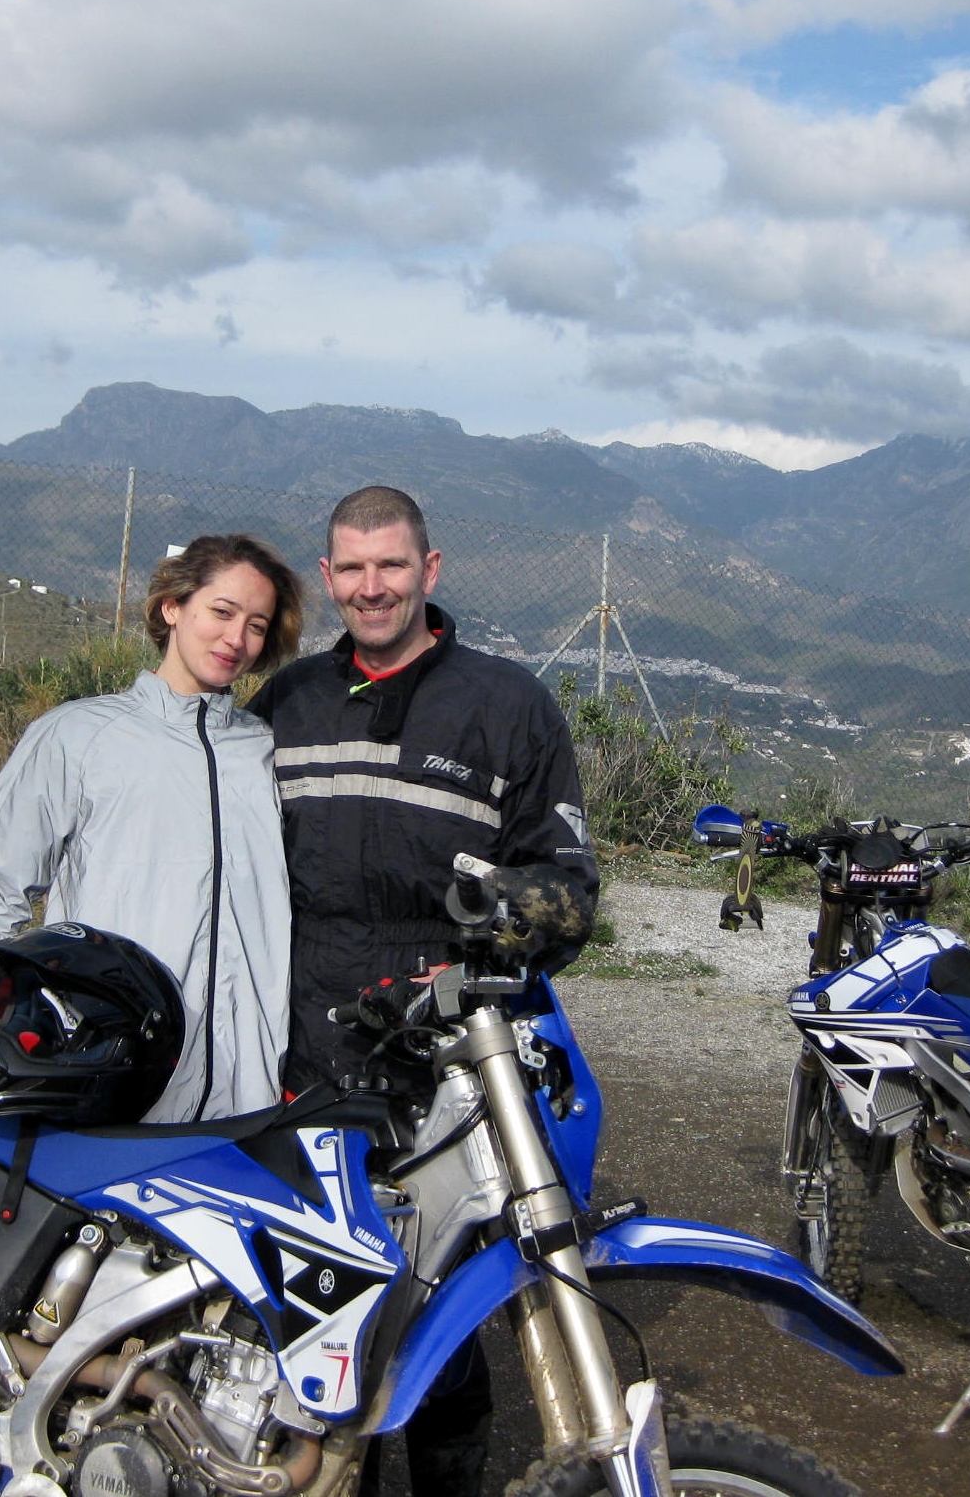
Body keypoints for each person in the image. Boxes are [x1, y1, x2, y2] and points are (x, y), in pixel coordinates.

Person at [248, 485, 598, 1497]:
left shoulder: (506, 706)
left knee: (442, 1324)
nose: (373, 588)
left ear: (428, 570)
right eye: (352, 569)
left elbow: (568, 887)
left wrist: (494, 927)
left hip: (444, 1063)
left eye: (391, 565)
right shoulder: (285, 705)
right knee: (319, 1318)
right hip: (298, 1056)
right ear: (327, 579)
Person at [0, 534, 303, 1124]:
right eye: (222, 611)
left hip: (245, 1098)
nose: (237, 638)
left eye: (256, 625)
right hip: (112, 1080)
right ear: (173, 606)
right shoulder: (76, 736)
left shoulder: (267, 752)